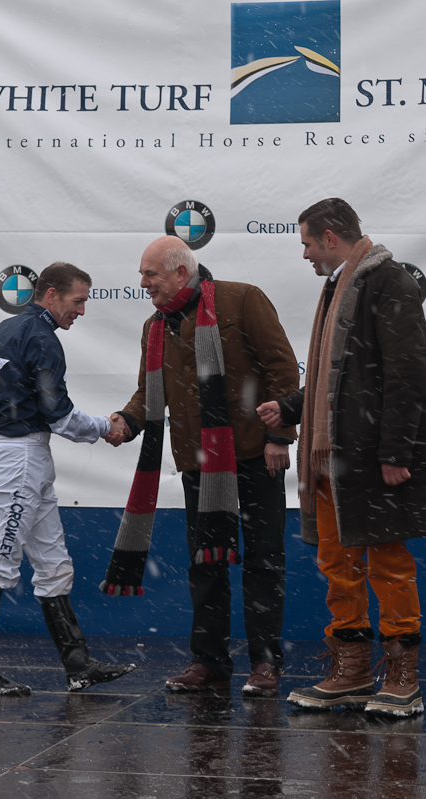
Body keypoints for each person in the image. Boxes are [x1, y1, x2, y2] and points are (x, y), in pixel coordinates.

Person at [102, 236, 299, 695]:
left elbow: (283, 369)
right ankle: (209, 662)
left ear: (178, 272)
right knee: (204, 563)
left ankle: (265, 665)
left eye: (150, 273)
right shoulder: (155, 326)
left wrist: (279, 436)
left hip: (255, 454)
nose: (143, 282)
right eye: (142, 273)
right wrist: (126, 422)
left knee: (264, 561)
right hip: (197, 464)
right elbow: (146, 393)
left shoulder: (241, 299)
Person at [258, 198, 426, 716]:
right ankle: (351, 668)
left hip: (375, 457)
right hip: (331, 458)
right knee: (338, 563)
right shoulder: (337, 287)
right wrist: (289, 406)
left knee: (389, 564)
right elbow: (336, 380)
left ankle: (402, 674)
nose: (305, 253)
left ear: (331, 237)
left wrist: (396, 451)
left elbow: (408, 373)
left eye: (307, 242)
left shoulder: (389, 281)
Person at [0, 262, 135, 695]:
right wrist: (106, 427)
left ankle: (78, 665)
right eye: (78, 301)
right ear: (51, 294)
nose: (83, 310)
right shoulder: (41, 338)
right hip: (22, 457)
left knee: (53, 563)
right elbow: (60, 417)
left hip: (17, 454)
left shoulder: (3, 329)